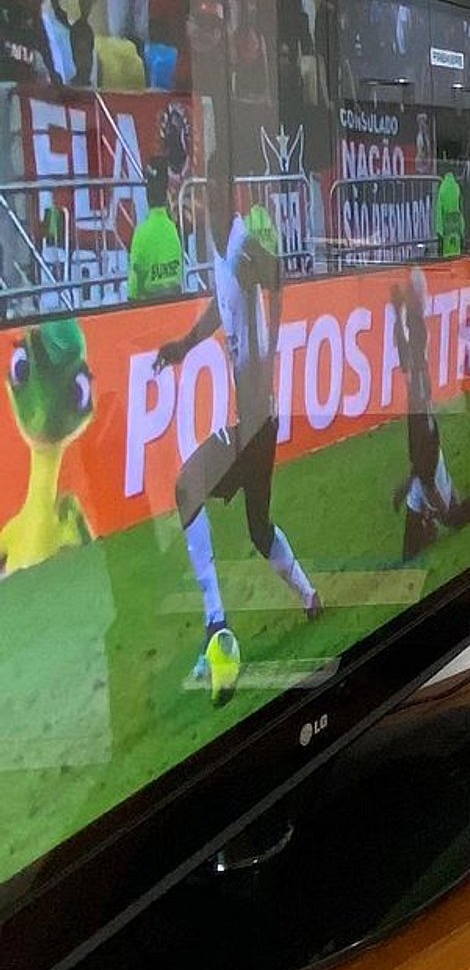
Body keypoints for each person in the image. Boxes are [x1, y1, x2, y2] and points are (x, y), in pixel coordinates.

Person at [157, 193, 319, 702]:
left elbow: (277, 274)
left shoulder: (240, 241)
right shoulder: (221, 247)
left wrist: (270, 354)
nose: (188, 204)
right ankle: (310, 597)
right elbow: (222, 307)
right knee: (257, 526)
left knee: (187, 488)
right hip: (256, 420)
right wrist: (185, 345)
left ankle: (217, 626)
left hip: (254, 419)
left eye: (195, 195)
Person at [391, 267, 470, 559]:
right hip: (423, 440)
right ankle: (429, 516)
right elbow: (407, 356)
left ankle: (431, 515)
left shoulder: (413, 325)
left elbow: (407, 355)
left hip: (424, 441)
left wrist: (408, 483)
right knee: (435, 518)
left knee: (448, 512)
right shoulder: (413, 325)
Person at [126, 161, 185, 303]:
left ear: (147, 197)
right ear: (166, 196)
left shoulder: (141, 234)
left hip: (149, 307)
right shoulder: (174, 230)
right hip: (175, 303)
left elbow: (134, 288)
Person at [433, 160, 465, 259]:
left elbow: (439, 210)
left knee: (448, 256)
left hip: (446, 226)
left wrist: (439, 230)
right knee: (457, 254)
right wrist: (462, 229)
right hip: (456, 225)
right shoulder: (456, 186)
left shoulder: (442, 187)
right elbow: (460, 208)